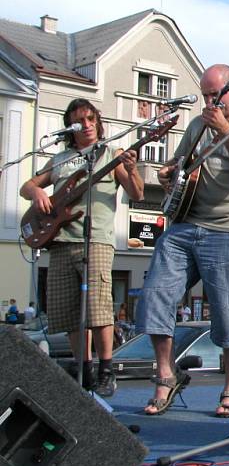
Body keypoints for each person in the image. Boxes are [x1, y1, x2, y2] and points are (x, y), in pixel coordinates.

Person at [137, 64, 229, 417]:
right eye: (206, 95)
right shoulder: (198, 124)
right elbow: (180, 164)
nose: (210, 101)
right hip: (184, 224)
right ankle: (166, 376)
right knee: (154, 295)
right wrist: (169, 175)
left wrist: (225, 128)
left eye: (216, 95)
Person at [20, 98, 144, 397]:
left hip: (96, 240)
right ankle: (83, 367)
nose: (87, 125)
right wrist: (37, 190)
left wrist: (132, 168)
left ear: (98, 122)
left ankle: (106, 368)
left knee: (99, 310)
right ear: (71, 127)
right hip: (60, 241)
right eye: (80, 121)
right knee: (67, 312)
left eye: (91, 119)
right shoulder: (61, 159)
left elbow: (137, 193)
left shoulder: (110, 154)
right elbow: (27, 186)